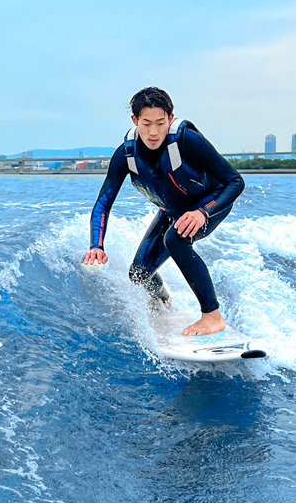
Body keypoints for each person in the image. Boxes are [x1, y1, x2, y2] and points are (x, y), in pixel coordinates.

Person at [82, 87, 244, 336]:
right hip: (172, 211)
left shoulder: (187, 141)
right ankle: (164, 302)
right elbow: (103, 203)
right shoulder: (125, 154)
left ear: (170, 117)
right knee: (139, 273)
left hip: (210, 204)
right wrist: (97, 245)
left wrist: (203, 212)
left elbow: (234, 182)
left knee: (175, 239)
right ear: (135, 121)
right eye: (146, 124)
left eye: (160, 122)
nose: (154, 132)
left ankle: (212, 316)